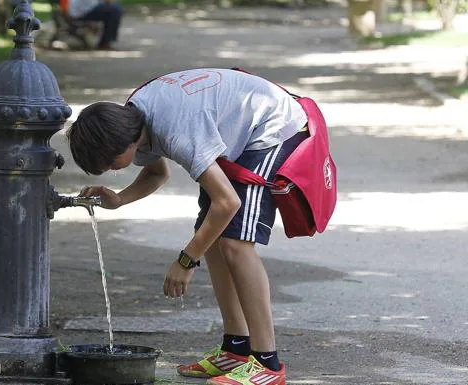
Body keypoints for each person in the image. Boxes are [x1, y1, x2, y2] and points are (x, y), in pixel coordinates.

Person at [66, 68, 310, 385]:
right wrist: (120, 199)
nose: (113, 170)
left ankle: (267, 364)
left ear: (126, 143)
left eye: (112, 164)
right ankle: (236, 348)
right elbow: (157, 174)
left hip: (273, 126)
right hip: (239, 127)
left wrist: (185, 260)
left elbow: (228, 203)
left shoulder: (177, 132)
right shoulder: (134, 117)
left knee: (236, 244)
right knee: (211, 236)